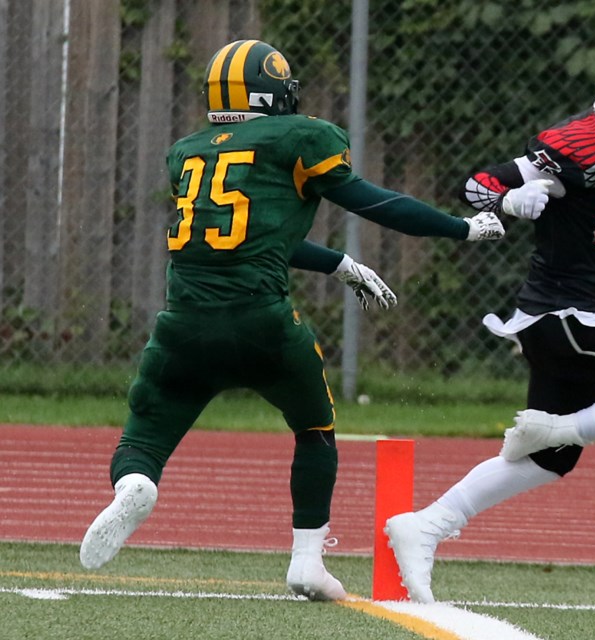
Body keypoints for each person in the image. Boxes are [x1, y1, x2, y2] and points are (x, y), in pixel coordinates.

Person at [78, 39, 504, 602]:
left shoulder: (189, 151)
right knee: (314, 427)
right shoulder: (300, 136)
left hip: (182, 324)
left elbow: (256, 236)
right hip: (263, 323)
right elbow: (372, 202)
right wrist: (463, 228)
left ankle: (134, 485)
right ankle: (306, 561)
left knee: (144, 439)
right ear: (273, 91)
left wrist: (341, 264)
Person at [384, 48, 595, 603]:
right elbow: (474, 186)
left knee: (548, 462)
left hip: (566, 318)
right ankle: (558, 425)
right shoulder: (573, 145)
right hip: (566, 318)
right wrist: (513, 196)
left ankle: (426, 525)